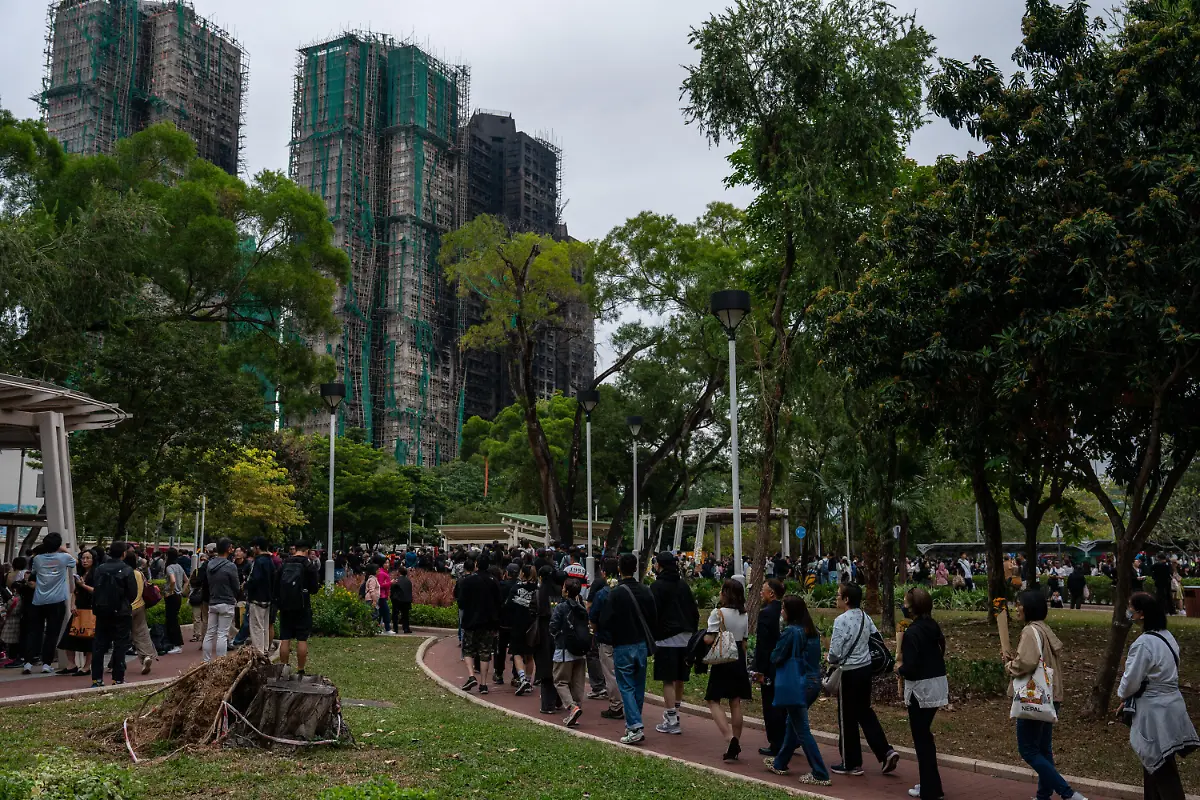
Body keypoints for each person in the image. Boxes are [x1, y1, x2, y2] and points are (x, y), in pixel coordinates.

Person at [1005, 591, 1089, 800]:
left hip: (1033, 698)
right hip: (1051, 695)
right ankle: (1043, 795)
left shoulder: (1029, 630)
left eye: (1019, 604)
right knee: (1043, 748)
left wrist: (1010, 665)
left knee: (1028, 750)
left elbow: (1026, 662)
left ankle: (1068, 794)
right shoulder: (1044, 629)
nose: (1017, 608)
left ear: (1029, 607)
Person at [1117, 591, 1199, 800]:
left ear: (1141, 614)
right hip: (1172, 706)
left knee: (1160, 766)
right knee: (1154, 764)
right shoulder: (1167, 637)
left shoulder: (1144, 643)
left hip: (1153, 711)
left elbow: (1130, 681)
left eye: (1131, 608)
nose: (1129, 612)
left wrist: (1123, 696)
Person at [827, 582, 900, 776]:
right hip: (865, 670)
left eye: (838, 595)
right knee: (865, 712)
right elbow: (875, 640)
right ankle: (885, 751)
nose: (836, 598)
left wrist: (830, 660)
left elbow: (834, 653)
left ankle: (850, 763)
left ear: (847, 599)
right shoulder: (866, 617)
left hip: (849, 672)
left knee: (847, 718)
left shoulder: (840, 621)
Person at [764, 594, 830, 787]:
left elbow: (776, 656)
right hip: (813, 681)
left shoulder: (791, 632)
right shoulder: (812, 631)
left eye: (783, 608)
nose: (781, 611)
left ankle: (820, 773)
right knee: (793, 722)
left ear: (791, 612)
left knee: (801, 728)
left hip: (797, 683)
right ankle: (780, 762)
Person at [600, 553, 657, 746]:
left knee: (626, 686)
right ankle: (635, 722)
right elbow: (653, 617)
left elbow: (605, 620)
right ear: (635, 568)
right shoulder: (646, 590)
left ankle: (634, 726)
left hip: (623, 644)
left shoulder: (615, 593)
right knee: (639, 686)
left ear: (619, 569)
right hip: (641, 643)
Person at [897, 587, 948, 800]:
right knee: (925, 738)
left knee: (922, 740)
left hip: (920, 690)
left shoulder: (912, 633)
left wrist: (898, 669)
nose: (904, 606)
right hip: (937, 684)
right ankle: (931, 785)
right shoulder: (933, 626)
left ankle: (930, 790)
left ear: (913, 608)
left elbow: (910, 666)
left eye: (906, 603)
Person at [649, 551, 699, 736]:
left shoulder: (657, 586)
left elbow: (653, 613)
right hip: (686, 637)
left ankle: (671, 719)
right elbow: (693, 611)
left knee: (668, 679)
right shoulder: (683, 585)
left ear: (660, 565)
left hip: (666, 638)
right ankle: (676, 713)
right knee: (679, 678)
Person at [704, 579, 752, 761]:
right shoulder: (744, 614)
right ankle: (736, 741)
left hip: (723, 658)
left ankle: (729, 737)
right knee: (735, 701)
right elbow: (745, 641)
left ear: (726, 593)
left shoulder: (718, 613)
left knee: (713, 699)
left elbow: (709, 638)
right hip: (738, 656)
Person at [23, 532, 77, 674]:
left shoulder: (38, 559)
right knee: (52, 633)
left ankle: (28, 662)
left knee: (34, 631)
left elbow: (34, 572)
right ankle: (46, 664)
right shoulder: (64, 558)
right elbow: (76, 561)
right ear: (58, 545)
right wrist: (64, 550)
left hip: (38, 600)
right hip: (57, 600)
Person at [88, 541, 138, 688]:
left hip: (102, 611)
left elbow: (96, 589)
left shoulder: (100, 569)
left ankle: (96, 679)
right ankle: (118, 678)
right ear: (124, 553)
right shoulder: (127, 570)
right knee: (120, 645)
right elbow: (132, 593)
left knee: (99, 645)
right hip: (121, 612)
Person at [549, 577, 589, 727]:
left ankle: (572, 708)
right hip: (581, 649)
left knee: (560, 681)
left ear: (565, 591)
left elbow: (553, 626)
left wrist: (556, 635)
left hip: (564, 648)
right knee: (577, 683)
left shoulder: (561, 607)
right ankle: (576, 709)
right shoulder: (582, 607)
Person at [458, 556, 501, 694]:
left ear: (476, 564)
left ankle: (471, 675)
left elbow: (461, 603)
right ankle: (483, 683)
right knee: (485, 652)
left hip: (470, 621)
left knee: (468, 650)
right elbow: (498, 603)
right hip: (488, 622)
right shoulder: (494, 581)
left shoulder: (468, 581)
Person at [588, 557, 624, 720]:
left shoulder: (602, 593)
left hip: (607, 638)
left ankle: (616, 705)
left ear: (603, 572)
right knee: (626, 672)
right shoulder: (626, 589)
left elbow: (593, 615)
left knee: (611, 674)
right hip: (627, 638)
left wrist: (595, 630)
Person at [277, 541, 320, 674]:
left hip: (285, 606)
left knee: (285, 638)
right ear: (307, 550)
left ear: (295, 549)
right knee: (302, 639)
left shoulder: (284, 563)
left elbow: (276, 582)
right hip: (303, 605)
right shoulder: (308, 565)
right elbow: (314, 589)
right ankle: (300, 669)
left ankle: (283, 668)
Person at [754, 578, 786, 756]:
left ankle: (775, 742)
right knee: (783, 705)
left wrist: (759, 668)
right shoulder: (783, 611)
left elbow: (762, 644)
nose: (761, 592)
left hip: (769, 665)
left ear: (771, 593)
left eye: (763, 589)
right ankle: (787, 739)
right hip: (784, 664)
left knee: (770, 704)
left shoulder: (766, 613)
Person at [56, 548, 96, 675]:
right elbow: (75, 591)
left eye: (88, 558)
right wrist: (73, 604)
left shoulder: (97, 574)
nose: (84, 561)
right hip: (78, 610)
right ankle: (71, 664)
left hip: (90, 610)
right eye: (83, 558)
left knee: (89, 639)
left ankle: (86, 666)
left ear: (94, 560)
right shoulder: (80, 573)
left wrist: (83, 585)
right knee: (69, 638)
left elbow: (97, 591)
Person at [202, 538, 240, 662]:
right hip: (227, 602)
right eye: (231, 547)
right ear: (228, 548)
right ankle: (220, 662)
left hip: (213, 601)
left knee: (209, 633)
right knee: (222, 634)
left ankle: (206, 661)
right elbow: (236, 586)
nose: (233, 549)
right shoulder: (231, 566)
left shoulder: (210, 565)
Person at [505, 563, 539, 695]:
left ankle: (523, 678)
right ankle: (529, 681)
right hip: (532, 626)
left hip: (517, 624)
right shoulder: (537, 589)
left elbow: (509, 605)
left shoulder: (516, 587)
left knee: (516, 653)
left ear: (522, 574)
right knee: (530, 655)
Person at [124, 549, 155, 674]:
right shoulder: (139, 573)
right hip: (140, 605)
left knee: (122, 635)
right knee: (141, 632)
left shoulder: (125, 573)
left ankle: (115, 662)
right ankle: (146, 656)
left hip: (127, 607)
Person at [244, 538, 276, 656]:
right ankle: (265, 649)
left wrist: (246, 585)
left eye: (253, 547)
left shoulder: (258, 561)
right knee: (264, 626)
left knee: (257, 626)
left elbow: (255, 579)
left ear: (257, 547)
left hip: (257, 598)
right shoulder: (270, 561)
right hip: (268, 598)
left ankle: (259, 653)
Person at [162, 548, 187, 654]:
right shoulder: (179, 567)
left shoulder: (169, 567)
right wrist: (182, 591)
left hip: (171, 596)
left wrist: (171, 591)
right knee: (173, 619)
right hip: (178, 596)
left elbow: (172, 580)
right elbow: (187, 580)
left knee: (172, 620)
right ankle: (174, 643)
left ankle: (177, 644)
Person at [391, 565, 413, 635]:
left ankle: (395, 629)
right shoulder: (408, 581)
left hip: (398, 600)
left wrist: (392, 598)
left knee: (395, 614)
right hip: (407, 600)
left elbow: (392, 590)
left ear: (399, 572)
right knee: (405, 615)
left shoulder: (396, 580)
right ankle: (406, 628)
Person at [374, 557, 393, 634]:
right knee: (385, 612)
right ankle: (387, 629)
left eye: (388, 563)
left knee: (381, 613)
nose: (387, 565)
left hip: (383, 595)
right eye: (385, 563)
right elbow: (380, 585)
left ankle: (379, 629)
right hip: (381, 596)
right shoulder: (382, 573)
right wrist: (390, 583)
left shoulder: (384, 572)